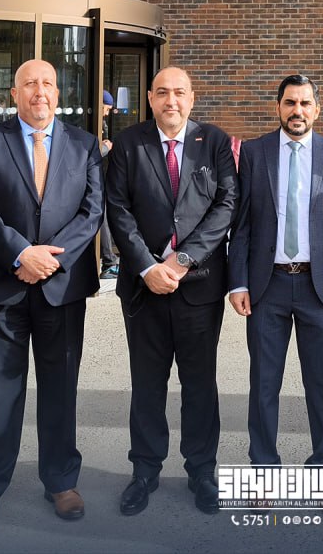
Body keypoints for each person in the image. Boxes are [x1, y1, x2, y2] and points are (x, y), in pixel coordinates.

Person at [0, 59, 104, 534]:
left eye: (47, 84)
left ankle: (61, 482)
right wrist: (21, 254)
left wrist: (50, 260)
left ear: (58, 93)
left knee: (61, 388)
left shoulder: (83, 144)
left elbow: (92, 211)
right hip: (1, 287)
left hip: (61, 288)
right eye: (29, 84)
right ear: (15, 93)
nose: (39, 91)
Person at [105, 66, 238, 516]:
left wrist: (182, 260)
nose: (171, 101)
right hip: (143, 288)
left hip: (198, 286)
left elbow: (226, 204)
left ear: (192, 98)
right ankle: (144, 470)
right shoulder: (129, 143)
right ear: (149, 98)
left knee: (199, 384)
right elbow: (118, 209)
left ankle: (202, 470)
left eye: (179, 92)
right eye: (162, 92)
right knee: (147, 384)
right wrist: (147, 266)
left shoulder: (214, 142)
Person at [227, 74, 323, 515]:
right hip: (268, 286)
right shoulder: (255, 152)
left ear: (317, 109)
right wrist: (239, 282)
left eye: (304, 103)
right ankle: (263, 473)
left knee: (321, 386)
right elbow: (242, 223)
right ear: (278, 107)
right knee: (264, 384)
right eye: (289, 102)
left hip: (320, 289)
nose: (296, 111)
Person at [99, 90, 120, 280]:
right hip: (93, 179)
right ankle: (109, 262)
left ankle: (109, 260)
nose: (106, 114)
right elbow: (90, 153)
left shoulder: (102, 123)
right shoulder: (94, 123)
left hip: (101, 177)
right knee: (102, 215)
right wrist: (106, 147)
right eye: (105, 109)